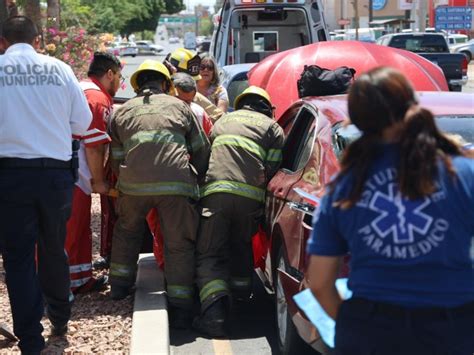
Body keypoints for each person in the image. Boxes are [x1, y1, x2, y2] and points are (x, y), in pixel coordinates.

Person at [307, 67, 474, 355]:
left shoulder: (344, 186)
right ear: (411, 106)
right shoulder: (462, 173)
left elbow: (321, 283)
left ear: (357, 119)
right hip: (451, 330)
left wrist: (354, 327)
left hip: (370, 331)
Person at [0, 16, 92, 352]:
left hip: (9, 175)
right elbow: (81, 122)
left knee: (18, 257)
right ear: (38, 41)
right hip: (54, 174)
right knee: (53, 247)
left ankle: (30, 339)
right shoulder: (60, 69)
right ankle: (60, 319)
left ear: (2, 42)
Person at [108, 60, 211, 329]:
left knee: (127, 232)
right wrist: (198, 181)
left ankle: (119, 286)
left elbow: (116, 156)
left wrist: (129, 182)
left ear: (137, 85)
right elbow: (200, 149)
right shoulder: (180, 107)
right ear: (166, 84)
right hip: (176, 186)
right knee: (178, 243)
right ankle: (180, 302)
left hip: (133, 186)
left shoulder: (122, 111)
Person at [193, 86, 285, 337]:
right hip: (249, 199)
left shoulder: (223, 122)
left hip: (216, 195)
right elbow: (274, 168)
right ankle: (242, 301)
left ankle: (213, 315)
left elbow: (206, 156)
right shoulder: (273, 128)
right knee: (241, 245)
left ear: (242, 103)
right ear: (266, 107)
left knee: (210, 254)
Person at [64, 51, 122, 293]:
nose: (120, 82)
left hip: (70, 169)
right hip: (74, 172)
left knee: (79, 230)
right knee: (71, 231)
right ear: (109, 74)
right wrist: (99, 182)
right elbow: (95, 145)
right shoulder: (98, 98)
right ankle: (60, 286)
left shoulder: (83, 89)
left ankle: (78, 281)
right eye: (119, 76)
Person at [165, 48, 224, 122]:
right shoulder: (159, 92)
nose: (190, 85)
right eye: (187, 80)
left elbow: (219, 116)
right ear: (174, 72)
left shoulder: (195, 97)